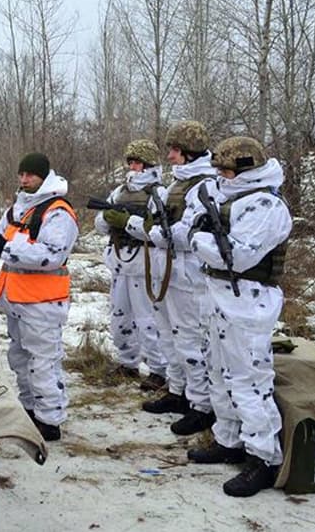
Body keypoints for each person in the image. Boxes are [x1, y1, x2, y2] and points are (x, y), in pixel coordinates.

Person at [184, 136, 291, 498]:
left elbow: (237, 257)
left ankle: (264, 457)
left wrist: (198, 238)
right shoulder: (231, 197)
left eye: (227, 171)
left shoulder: (266, 205)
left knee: (248, 381)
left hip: (248, 300)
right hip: (219, 296)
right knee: (218, 372)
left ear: (246, 170)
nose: (222, 177)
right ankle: (229, 439)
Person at [0, 152, 78, 441]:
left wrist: (2, 250)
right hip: (15, 298)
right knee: (19, 357)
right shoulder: (19, 207)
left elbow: (51, 256)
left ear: (44, 177)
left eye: (30, 175)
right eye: (22, 174)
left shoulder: (58, 212)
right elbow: (1, 238)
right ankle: (30, 408)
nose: (24, 179)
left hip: (42, 302)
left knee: (43, 361)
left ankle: (50, 420)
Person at [119, 121, 219, 435]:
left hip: (188, 276)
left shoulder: (204, 185)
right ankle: (177, 391)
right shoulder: (179, 183)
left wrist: (139, 227)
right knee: (167, 335)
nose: (171, 155)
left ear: (189, 153)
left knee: (189, 341)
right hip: (167, 272)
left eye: (176, 150)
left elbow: (182, 234)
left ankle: (200, 405)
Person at [95, 139, 169, 392]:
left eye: (138, 162)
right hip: (120, 261)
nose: (133, 166)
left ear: (148, 163)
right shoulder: (119, 191)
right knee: (119, 318)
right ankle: (128, 362)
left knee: (148, 320)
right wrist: (108, 218)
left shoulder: (158, 193)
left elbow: (159, 231)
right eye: (131, 161)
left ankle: (159, 370)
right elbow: (100, 223)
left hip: (145, 264)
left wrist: (127, 222)